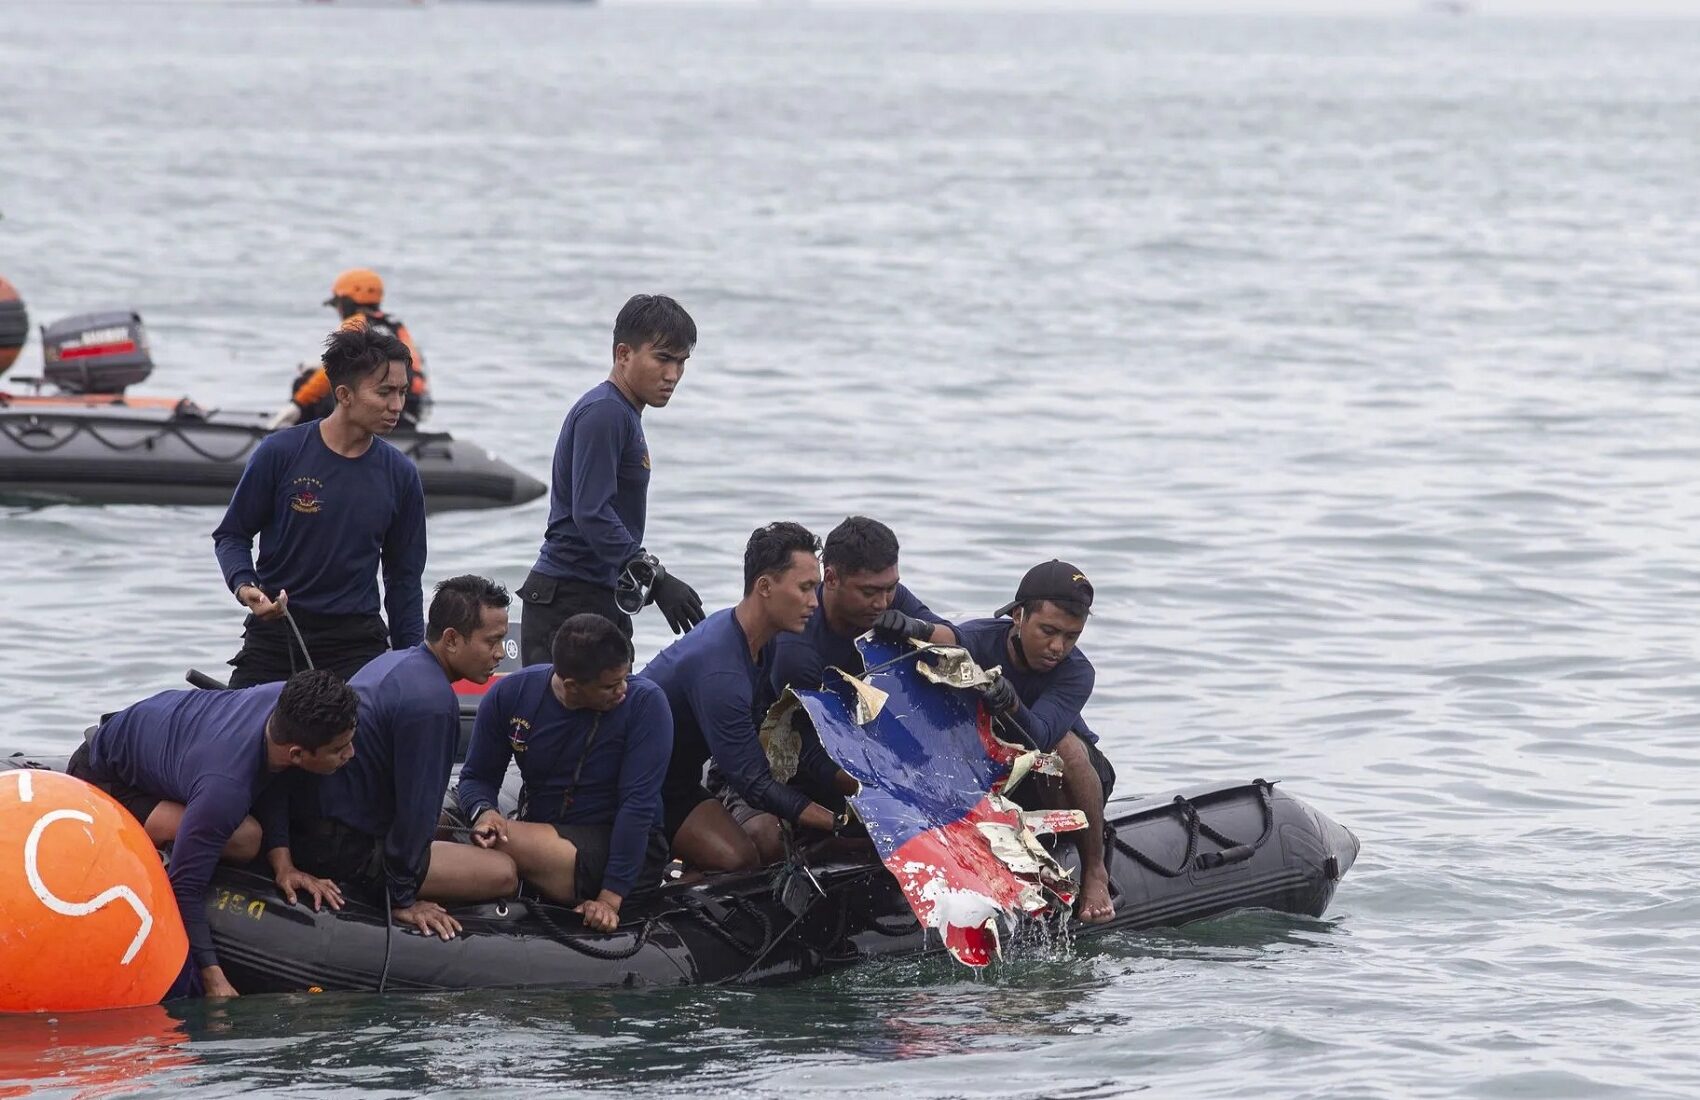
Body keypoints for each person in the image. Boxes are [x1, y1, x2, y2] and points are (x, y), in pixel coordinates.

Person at [67, 670, 359, 998]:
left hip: (168, 742)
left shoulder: (282, 703)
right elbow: (186, 888)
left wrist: (284, 864)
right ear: (296, 752)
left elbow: (274, 779)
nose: (350, 755)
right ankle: (158, 848)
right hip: (107, 781)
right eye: (339, 749)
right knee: (245, 837)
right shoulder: (225, 791)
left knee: (245, 826)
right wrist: (212, 975)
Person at [274, 576, 518, 940]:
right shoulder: (433, 705)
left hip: (316, 823)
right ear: (451, 639)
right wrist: (402, 898)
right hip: (341, 850)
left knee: (442, 823)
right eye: (492, 641)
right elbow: (416, 813)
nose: (500, 654)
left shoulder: (395, 661)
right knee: (504, 871)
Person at [213, 323, 427, 688]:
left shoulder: (401, 474)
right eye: (385, 392)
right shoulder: (280, 453)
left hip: (357, 645)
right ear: (344, 394)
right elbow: (232, 535)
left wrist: (412, 664)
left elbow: (403, 579)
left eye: (403, 392)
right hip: (276, 635)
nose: (397, 406)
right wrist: (244, 585)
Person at [639, 522, 839, 872]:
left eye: (817, 589)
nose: (814, 602)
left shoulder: (766, 640)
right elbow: (755, 783)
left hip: (678, 779)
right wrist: (838, 822)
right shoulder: (722, 671)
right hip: (636, 784)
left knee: (752, 852)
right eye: (805, 588)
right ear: (765, 586)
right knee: (737, 861)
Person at [518, 294, 704, 663]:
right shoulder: (605, 412)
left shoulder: (624, 414)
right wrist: (657, 577)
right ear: (623, 354)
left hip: (600, 595)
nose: (673, 375)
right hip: (568, 601)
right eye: (663, 358)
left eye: (682, 362)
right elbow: (591, 512)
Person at [457, 613, 672, 932]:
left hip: (616, 845)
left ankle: (401, 877)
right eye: (611, 686)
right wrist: (484, 811)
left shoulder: (645, 704)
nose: (623, 690)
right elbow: (476, 778)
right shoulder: (512, 694)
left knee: (493, 842)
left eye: (625, 678)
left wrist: (609, 899)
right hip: (545, 828)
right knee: (464, 826)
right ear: (571, 685)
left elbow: (637, 806)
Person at [952, 560, 1117, 924]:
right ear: (1017, 616)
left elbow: (1039, 736)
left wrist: (1010, 702)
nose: (1058, 646)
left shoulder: (1077, 672)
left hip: (1075, 777)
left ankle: (1094, 871)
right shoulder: (977, 640)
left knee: (1064, 746)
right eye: (1048, 630)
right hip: (1003, 774)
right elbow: (941, 638)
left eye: (1071, 636)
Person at [770, 515, 958, 808]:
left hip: (866, 736)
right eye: (868, 592)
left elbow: (953, 642)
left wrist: (919, 628)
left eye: (890, 588)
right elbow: (803, 747)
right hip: (790, 755)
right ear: (830, 579)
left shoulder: (886, 595)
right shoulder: (798, 645)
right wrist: (887, 791)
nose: (882, 603)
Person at [272, 268, 430, 429]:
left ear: (347, 301)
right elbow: (412, 365)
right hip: (406, 408)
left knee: (304, 381)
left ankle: (304, 435)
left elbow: (332, 371)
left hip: (374, 407)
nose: (338, 310)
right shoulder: (396, 325)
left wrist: (298, 403)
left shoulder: (356, 323)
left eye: (338, 304)